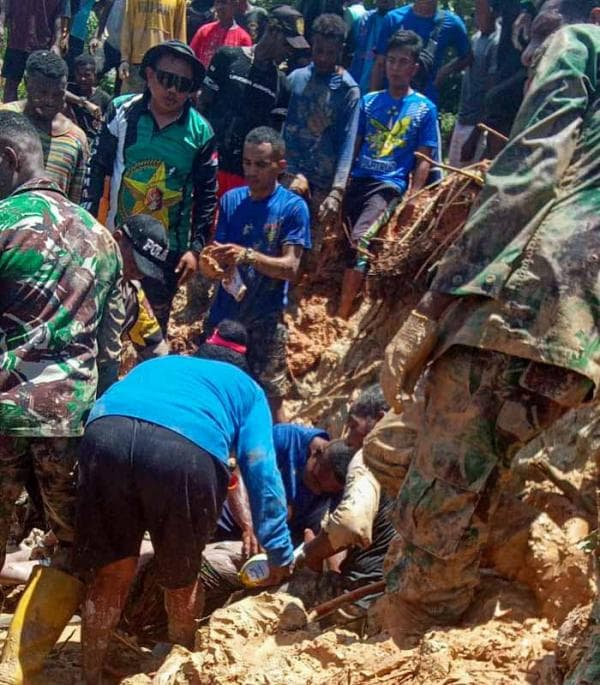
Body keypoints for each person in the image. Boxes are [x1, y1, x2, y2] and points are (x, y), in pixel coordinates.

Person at [363, 0, 600, 643]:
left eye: (539, 25)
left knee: (440, 496)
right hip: (585, 335)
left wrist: (431, 306)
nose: (529, 43)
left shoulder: (581, 43)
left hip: (528, 297)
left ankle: (408, 637)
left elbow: (529, 171)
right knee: (496, 485)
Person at [72, 320, 295, 682]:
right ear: (241, 366)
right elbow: (260, 469)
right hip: (184, 454)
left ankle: (90, 674)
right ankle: (180, 667)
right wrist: (280, 552)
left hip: (106, 434)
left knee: (111, 572)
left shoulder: (157, 364)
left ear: (201, 354)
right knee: (180, 580)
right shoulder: (249, 390)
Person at [0, 110, 124, 685]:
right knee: (73, 544)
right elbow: (110, 349)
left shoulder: (3, 221)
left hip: (3, 412)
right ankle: (22, 667)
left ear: (8, 159)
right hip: (69, 420)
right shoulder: (102, 238)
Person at [84, 40, 217, 333]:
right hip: (118, 240)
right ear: (149, 74)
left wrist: (195, 250)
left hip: (166, 254)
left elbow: (208, 197)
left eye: (183, 85)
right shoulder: (122, 111)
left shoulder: (201, 133)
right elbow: (97, 168)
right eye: (166, 79)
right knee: (102, 323)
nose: (172, 90)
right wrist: (89, 222)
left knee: (152, 330)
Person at [201, 127, 311, 422]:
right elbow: (218, 253)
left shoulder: (292, 208)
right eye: (247, 163)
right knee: (212, 389)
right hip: (225, 314)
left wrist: (248, 256)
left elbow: (291, 267)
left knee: (271, 398)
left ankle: (278, 457)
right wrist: (212, 265)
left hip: (266, 317)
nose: (251, 171)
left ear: (280, 167)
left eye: (261, 164)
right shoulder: (231, 200)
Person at [338, 30, 439, 319]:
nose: (395, 68)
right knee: (343, 243)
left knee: (361, 239)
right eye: (391, 61)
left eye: (402, 62)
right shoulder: (369, 102)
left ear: (414, 68)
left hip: (388, 185)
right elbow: (354, 144)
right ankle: (342, 299)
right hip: (359, 180)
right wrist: (343, 181)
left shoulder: (424, 108)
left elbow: (424, 157)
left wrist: (412, 195)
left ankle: (342, 315)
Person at [200, 431, 354, 614]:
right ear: (316, 453)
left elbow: (338, 527)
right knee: (204, 573)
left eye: (325, 492)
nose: (316, 492)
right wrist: (249, 526)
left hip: (275, 551)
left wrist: (334, 575)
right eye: (315, 480)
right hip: (228, 526)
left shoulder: (340, 480)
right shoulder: (284, 439)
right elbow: (238, 474)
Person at [199, 5, 309, 196]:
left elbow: (272, 138)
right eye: (287, 44)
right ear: (273, 31)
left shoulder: (282, 85)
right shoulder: (228, 58)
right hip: (209, 166)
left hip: (245, 179)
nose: (290, 52)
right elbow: (202, 108)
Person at [283, 13, 360, 257]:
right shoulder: (295, 79)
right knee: (278, 237)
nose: (323, 58)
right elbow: (281, 129)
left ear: (341, 50)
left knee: (311, 251)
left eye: (330, 52)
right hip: (289, 173)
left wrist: (337, 191)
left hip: (323, 183)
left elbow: (348, 144)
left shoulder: (348, 91)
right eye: (318, 50)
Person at [0, 50, 88, 203]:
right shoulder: (5, 119)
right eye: (42, 92)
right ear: (27, 83)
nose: (49, 100)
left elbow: (73, 201)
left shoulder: (75, 139)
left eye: (58, 94)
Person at [101, 214, 170, 393]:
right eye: (134, 264)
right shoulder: (75, 270)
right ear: (116, 238)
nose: (137, 274)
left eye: (144, 271)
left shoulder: (132, 294)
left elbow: (156, 351)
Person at [369, 0, 471, 104]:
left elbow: (467, 56)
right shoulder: (393, 18)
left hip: (426, 97)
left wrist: (442, 73)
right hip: (390, 96)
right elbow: (379, 63)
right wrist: (373, 101)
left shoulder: (451, 23)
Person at [448, 1, 500, 167]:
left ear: (492, 12)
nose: (476, 18)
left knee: (469, 181)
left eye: (480, 13)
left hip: (477, 125)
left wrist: (476, 133)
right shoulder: (477, 37)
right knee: (453, 176)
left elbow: (491, 93)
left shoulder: (496, 42)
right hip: (464, 118)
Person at [0, 0, 68, 103]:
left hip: (42, 44)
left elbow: (59, 14)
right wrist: (1, 24)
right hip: (17, 41)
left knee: (40, 87)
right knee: (11, 84)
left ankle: (32, 118)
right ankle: (11, 117)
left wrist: (56, 44)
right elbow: (6, 3)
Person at [119, 0, 187, 93]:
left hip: (164, 65)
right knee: (130, 102)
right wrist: (124, 59)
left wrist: (179, 66)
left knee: (157, 105)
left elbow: (180, 32)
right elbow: (127, 26)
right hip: (136, 63)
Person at [349, 0, 397, 94]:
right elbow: (347, 55)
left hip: (384, 92)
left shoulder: (399, 22)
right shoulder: (362, 21)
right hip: (356, 90)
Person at [190, 0, 252, 68]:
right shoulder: (204, 31)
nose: (219, 7)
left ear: (234, 6)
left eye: (223, 2)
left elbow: (245, 67)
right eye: (217, 2)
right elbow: (191, 58)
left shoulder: (243, 38)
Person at [65, 53, 111, 143]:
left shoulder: (104, 99)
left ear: (94, 74)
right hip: (70, 139)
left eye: (87, 75)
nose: (83, 79)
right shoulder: (70, 89)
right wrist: (84, 103)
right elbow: (59, 91)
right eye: (79, 74)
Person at [89, 0, 126, 94]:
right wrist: (96, 37)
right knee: (93, 75)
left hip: (127, 51)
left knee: (121, 88)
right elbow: (105, 13)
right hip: (110, 44)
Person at [63, 0, 97, 78]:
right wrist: (65, 36)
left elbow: (103, 6)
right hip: (66, 36)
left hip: (79, 37)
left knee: (73, 72)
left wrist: (96, 36)